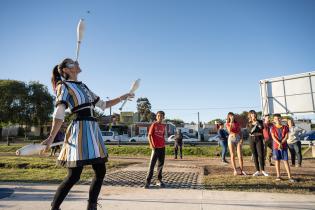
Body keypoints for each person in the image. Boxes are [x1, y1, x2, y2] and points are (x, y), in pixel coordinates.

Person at [41, 58, 134, 210]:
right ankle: (55, 207)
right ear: (65, 70)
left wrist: (123, 96)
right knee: (74, 175)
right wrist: (51, 137)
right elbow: (59, 113)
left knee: (100, 170)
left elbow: (103, 105)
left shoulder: (83, 86)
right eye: (72, 63)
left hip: (92, 128)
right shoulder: (63, 86)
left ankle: (91, 206)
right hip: (79, 129)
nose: (77, 63)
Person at [144, 111, 166, 189]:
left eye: (161, 116)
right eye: (158, 116)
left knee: (160, 165)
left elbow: (163, 136)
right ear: (156, 117)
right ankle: (148, 181)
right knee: (152, 165)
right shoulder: (154, 124)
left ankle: (159, 180)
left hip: (162, 148)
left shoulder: (163, 126)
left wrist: (164, 143)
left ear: (163, 117)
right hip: (155, 148)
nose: (160, 117)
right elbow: (149, 135)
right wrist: (151, 144)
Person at [270, 114, 294, 182]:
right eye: (275, 119)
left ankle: (290, 176)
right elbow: (273, 137)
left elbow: (286, 137)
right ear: (274, 120)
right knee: (277, 161)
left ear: (281, 119)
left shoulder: (285, 127)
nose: (277, 120)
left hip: (284, 146)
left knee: (285, 161)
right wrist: (278, 143)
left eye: (278, 118)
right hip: (276, 146)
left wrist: (281, 143)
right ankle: (278, 176)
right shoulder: (272, 128)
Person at [247, 110, 268, 176]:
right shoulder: (248, 123)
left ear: (255, 114)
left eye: (254, 114)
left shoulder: (260, 121)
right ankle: (257, 171)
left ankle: (263, 170)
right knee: (255, 155)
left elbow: (262, 128)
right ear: (250, 115)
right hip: (251, 139)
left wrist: (257, 123)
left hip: (259, 139)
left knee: (261, 154)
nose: (253, 115)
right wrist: (255, 127)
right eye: (251, 114)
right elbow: (250, 132)